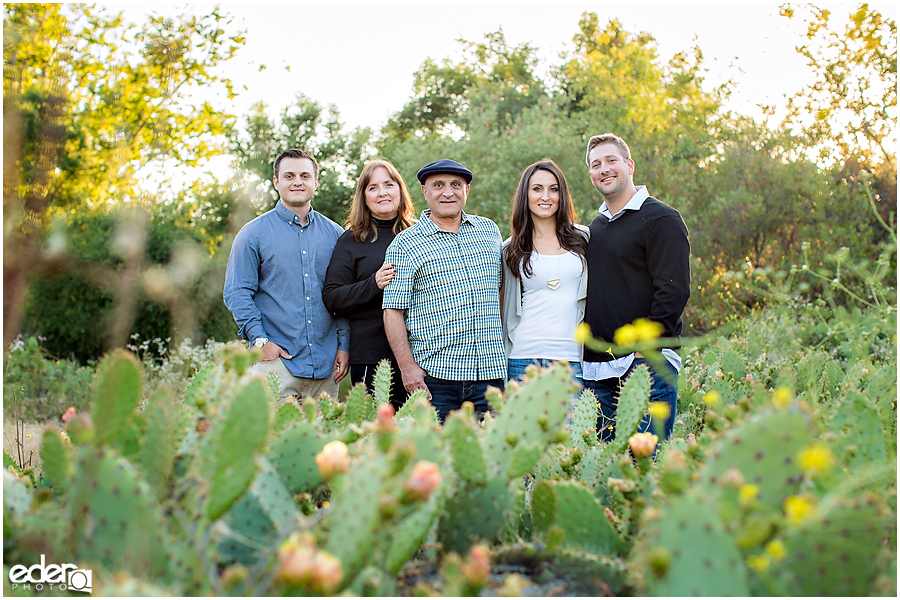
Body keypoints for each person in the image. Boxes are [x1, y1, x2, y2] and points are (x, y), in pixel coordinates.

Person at [581, 133, 691, 443]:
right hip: (597, 371)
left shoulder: (662, 219)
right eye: (595, 164)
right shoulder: (595, 228)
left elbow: (674, 291)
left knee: (644, 470)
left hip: (646, 368)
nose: (604, 169)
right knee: (601, 473)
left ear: (629, 165)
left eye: (611, 160)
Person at [382, 158, 506, 423]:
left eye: (455, 185)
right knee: (436, 460)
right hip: (436, 380)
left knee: (492, 461)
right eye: (438, 185)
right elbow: (392, 312)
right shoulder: (405, 244)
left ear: (467, 191)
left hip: (490, 377)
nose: (448, 192)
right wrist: (408, 370)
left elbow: (500, 291)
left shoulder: (490, 232)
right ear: (425, 192)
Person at [224, 148, 349, 401]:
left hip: (325, 369)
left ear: (316, 181)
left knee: (322, 440)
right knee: (271, 440)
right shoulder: (252, 234)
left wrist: (343, 345)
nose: (297, 182)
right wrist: (260, 341)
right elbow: (237, 293)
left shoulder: (336, 235)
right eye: (289, 176)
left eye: (304, 175)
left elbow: (342, 297)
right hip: (275, 365)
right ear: (276, 182)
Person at [323, 159, 416, 412]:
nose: (382, 192)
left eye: (389, 184)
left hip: (422, 355)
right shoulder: (352, 240)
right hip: (372, 358)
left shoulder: (420, 235)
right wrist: (373, 283)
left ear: (400, 190)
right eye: (373, 187)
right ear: (364, 197)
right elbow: (332, 297)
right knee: (374, 436)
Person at [501, 159, 588, 386]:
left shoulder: (585, 240)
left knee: (574, 423)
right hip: (522, 358)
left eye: (554, 189)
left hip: (572, 360)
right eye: (537, 189)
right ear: (525, 195)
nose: (546, 197)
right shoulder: (510, 249)